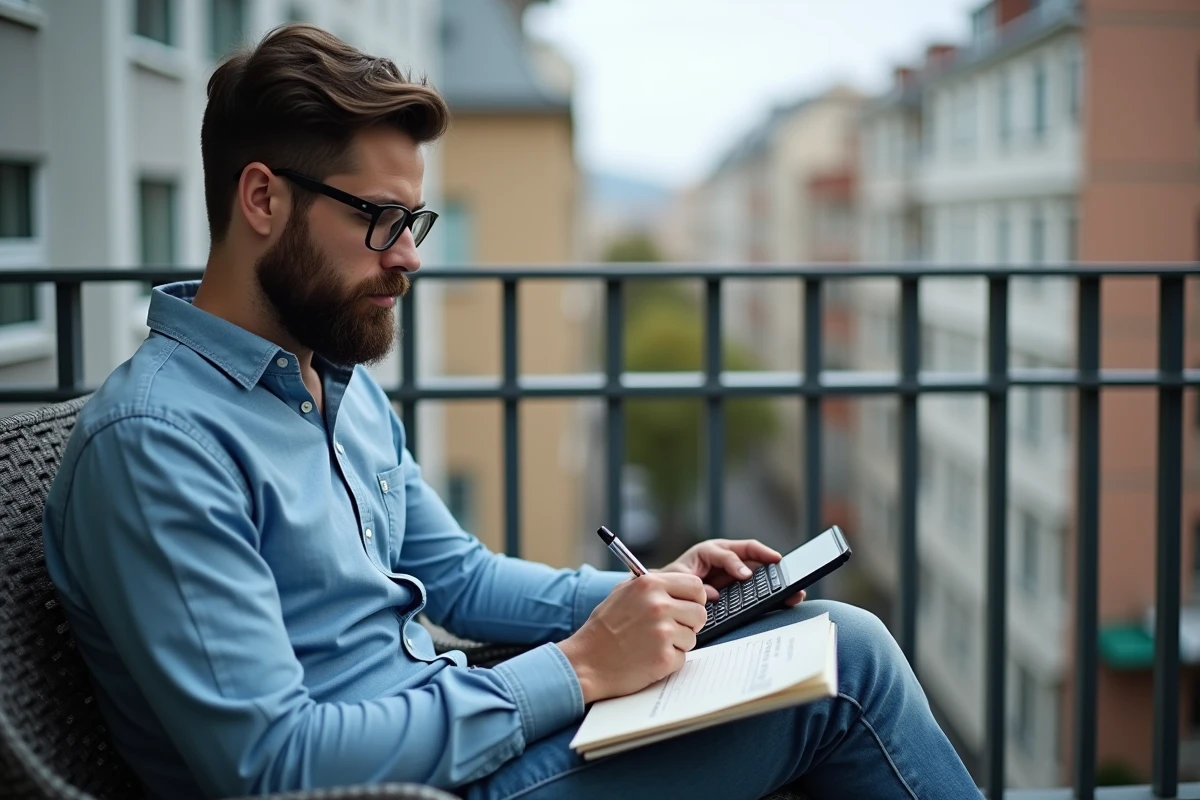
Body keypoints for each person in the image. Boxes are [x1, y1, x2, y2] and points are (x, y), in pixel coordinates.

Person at [42, 24, 981, 800]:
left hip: (464, 738)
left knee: (816, 642)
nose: (406, 256)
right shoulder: (159, 445)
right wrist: (576, 669)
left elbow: (454, 577)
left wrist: (650, 597)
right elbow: (273, 765)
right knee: (844, 669)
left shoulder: (337, 380)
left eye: (414, 222)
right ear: (262, 199)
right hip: (408, 786)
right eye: (380, 219)